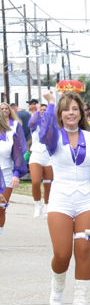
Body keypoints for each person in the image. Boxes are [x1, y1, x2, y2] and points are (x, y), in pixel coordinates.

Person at [40, 90, 90, 305]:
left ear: (82, 112)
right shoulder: (54, 137)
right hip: (60, 198)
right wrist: (51, 104)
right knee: (62, 255)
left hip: (87, 199)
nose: (71, 113)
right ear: (60, 115)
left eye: (74, 108)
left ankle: (81, 301)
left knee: (83, 251)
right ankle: (57, 285)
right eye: (66, 109)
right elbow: (44, 133)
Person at [0, 105, 28, 241]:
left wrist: (16, 174)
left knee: (1, 207)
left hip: (6, 175)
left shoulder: (12, 134)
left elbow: (17, 156)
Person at [27, 100, 55, 218]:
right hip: (36, 154)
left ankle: (47, 206)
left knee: (48, 184)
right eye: (41, 110)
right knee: (36, 182)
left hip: (49, 156)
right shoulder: (34, 125)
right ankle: (37, 205)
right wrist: (37, 111)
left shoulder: (52, 125)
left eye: (45, 110)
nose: (43, 112)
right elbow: (32, 121)